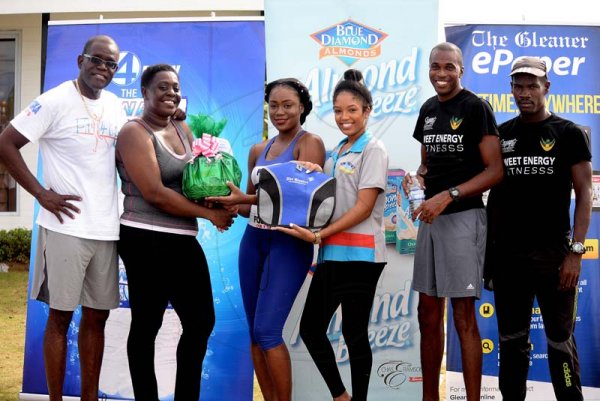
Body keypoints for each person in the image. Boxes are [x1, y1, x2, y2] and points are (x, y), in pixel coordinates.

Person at [0, 35, 124, 401]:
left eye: (110, 64)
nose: (103, 68)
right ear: (80, 60)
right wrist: (40, 194)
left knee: (97, 318)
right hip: (65, 228)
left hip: (107, 227)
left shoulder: (117, 106)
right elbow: (6, 142)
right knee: (60, 317)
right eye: (96, 60)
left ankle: (88, 398)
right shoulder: (54, 100)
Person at [114, 64, 235, 401]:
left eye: (175, 87)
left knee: (200, 322)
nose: (170, 93)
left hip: (182, 238)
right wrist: (209, 216)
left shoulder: (182, 127)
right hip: (144, 237)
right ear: (144, 93)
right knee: (147, 325)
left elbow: (194, 178)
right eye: (162, 87)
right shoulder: (134, 132)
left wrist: (223, 198)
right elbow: (153, 192)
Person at [207, 78, 325, 401]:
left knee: (268, 332)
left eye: (288, 105)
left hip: (288, 244)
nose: (280, 112)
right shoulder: (258, 149)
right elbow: (248, 207)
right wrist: (227, 201)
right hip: (254, 241)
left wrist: (245, 201)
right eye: (273, 105)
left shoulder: (309, 143)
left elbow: (301, 200)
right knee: (255, 336)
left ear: (302, 107)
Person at [277, 69, 389, 401]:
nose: (344, 117)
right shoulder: (338, 149)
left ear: (367, 111)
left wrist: (319, 234)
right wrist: (314, 171)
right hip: (330, 254)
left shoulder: (374, 149)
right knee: (311, 329)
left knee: (355, 335)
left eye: (352, 110)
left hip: (360, 257)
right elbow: (326, 192)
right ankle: (341, 396)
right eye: (338, 111)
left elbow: (364, 207)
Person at [485, 56, 592, 401]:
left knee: (560, 343)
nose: (525, 92)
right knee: (511, 343)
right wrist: (490, 261)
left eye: (532, 85)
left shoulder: (569, 133)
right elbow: (494, 202)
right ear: (511, 90)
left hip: (555, 260)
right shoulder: (502, 135)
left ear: (547, 87)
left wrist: (576, 253)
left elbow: (585, 194)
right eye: (519, 85)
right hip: (510, 261)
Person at [405, 42, 504, 401]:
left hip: (464, 217)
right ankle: (430, 397)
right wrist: (416, 180)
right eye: (435, 67)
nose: (441, 74)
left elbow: (496, 171)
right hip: (431, 219)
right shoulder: (429, 109)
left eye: (449, 67)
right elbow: (426, 165)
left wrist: (450, 195)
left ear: (461, 70)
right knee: (427, 313)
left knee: (462, 316)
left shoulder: (476, 107)